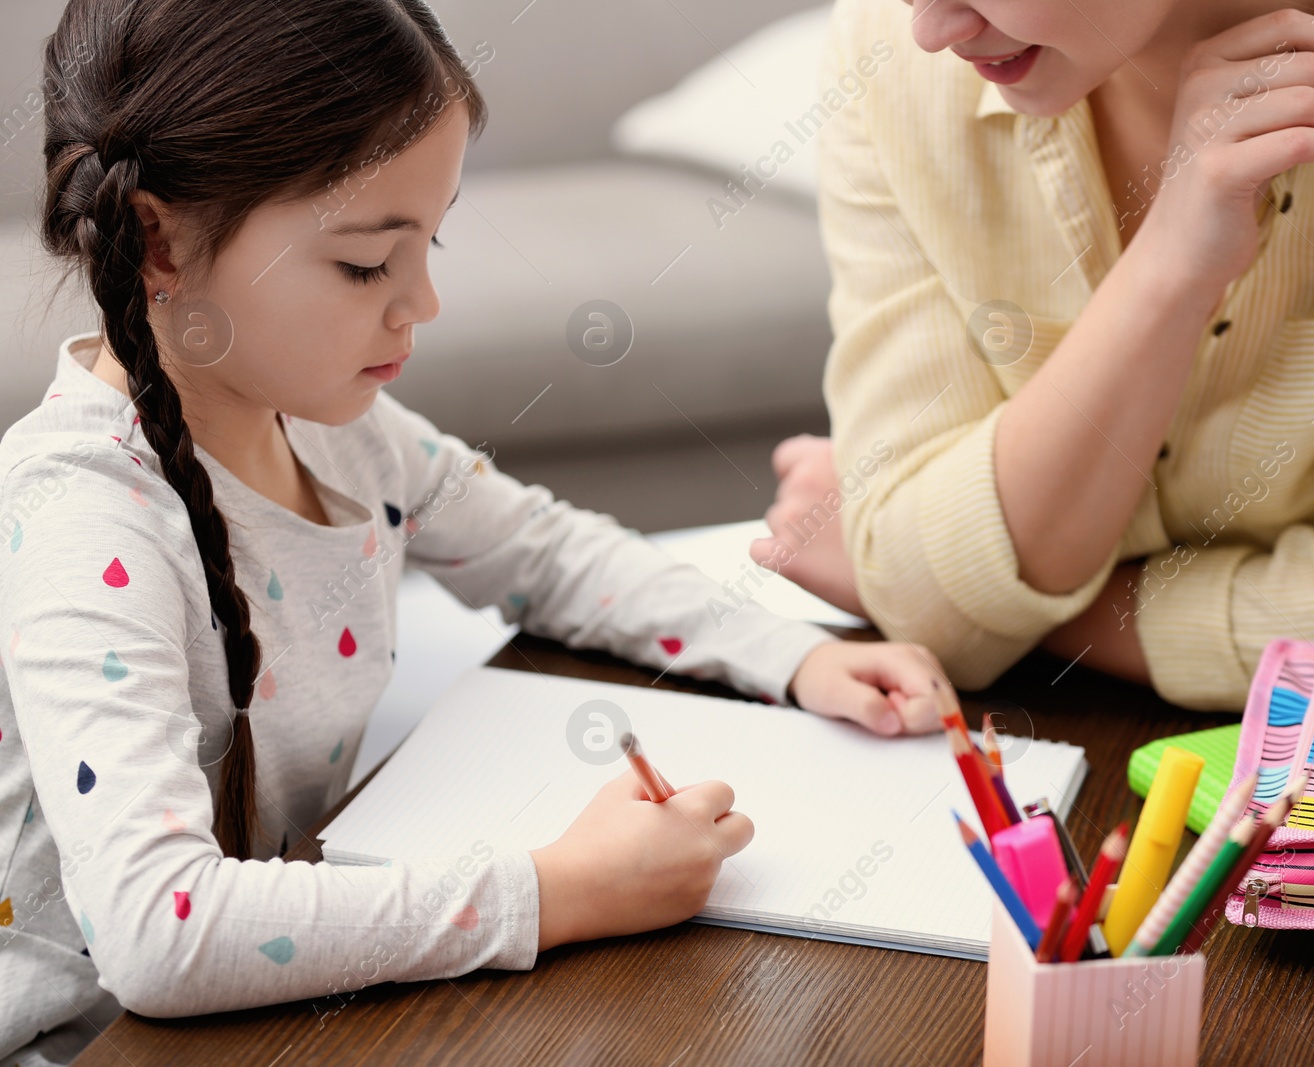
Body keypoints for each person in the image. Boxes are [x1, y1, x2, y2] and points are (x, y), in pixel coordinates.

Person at [0, 2, 949, 1061]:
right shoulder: (86, 515)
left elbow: (545, 552)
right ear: (156, 240)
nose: (424, 302)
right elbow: (159, 933)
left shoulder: (335, 431)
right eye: (368, 264)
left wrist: (797, 655)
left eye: (431, 242)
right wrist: (561, 890)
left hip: (294, 980)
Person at [751, 0, 1314, 723]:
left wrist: (975, 599)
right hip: (1049, 752)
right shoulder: (885, 50)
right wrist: (1166, 266)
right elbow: (915, 583)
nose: (934, 27)